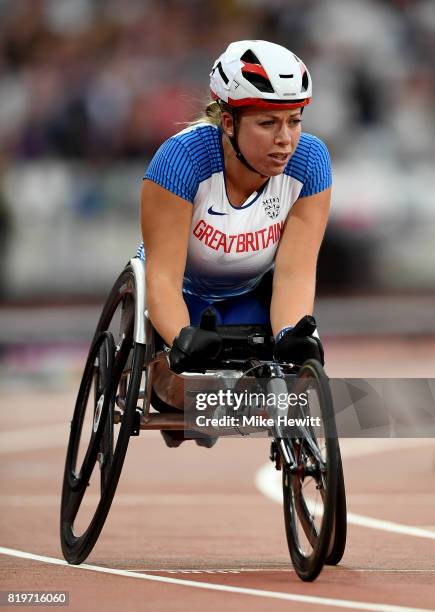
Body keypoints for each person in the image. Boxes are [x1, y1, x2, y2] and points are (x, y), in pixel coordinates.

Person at [137, 40, 331, 445]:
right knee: (177, 394)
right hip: (182, 297)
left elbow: (295, 276)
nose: (286, 140)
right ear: (228, 122)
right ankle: (197, 405)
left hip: (249, 296)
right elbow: (162, 278)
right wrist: (180, 336)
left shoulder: (310, 162)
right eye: (267, 124)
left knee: (299, 375)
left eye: (294, 121)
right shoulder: (181, 160)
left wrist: (291, 336)